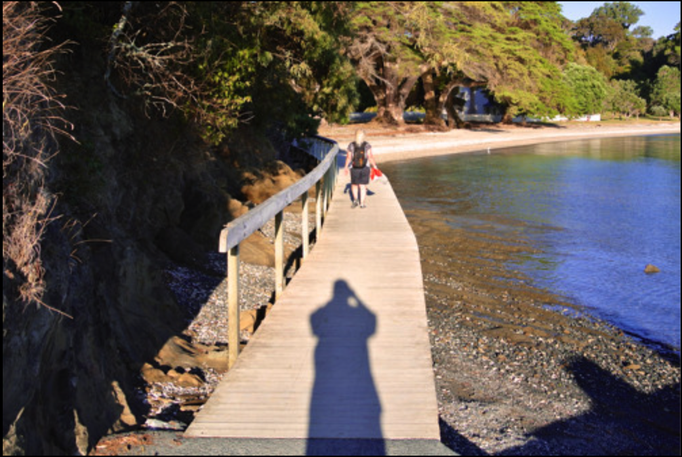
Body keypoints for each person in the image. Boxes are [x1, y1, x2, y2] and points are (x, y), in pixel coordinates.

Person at [344, 129, 378, 209]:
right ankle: (362, 203)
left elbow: (348, 157)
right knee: (362, 186)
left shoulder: (351, 145)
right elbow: (370, 157)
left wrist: (345, 167)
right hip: (365, 168)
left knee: (354, 184)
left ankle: (355, 200)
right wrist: (375, 166)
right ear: (363, 136)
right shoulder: (367, 145)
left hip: (354, 168)